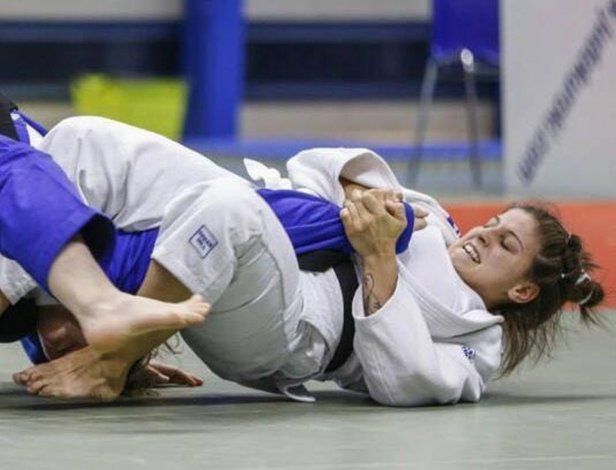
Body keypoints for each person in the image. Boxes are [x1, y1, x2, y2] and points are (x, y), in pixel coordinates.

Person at [4, 116, 606, 406]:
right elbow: (315, 167)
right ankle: (68, 316)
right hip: (283, 226)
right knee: (85, 140)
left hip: (292, 328)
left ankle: (112, 360)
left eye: (505, 246)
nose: (482, 235)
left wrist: (379, 256)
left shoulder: (479, 339)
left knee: (229, 209)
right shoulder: (431, 216)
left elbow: (406, 381)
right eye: (493, 224)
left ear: (522, 291)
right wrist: (356, 197)